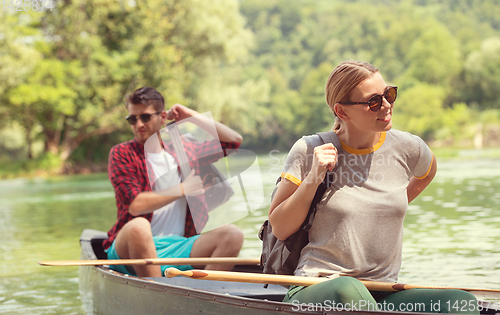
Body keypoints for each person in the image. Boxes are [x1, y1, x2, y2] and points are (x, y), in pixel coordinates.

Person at [269, 60, 479, 314]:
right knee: (348, 290)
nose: (387, 105)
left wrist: (388, 203)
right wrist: (315, 175)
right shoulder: (309, 150)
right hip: (317, 288)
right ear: (342, 112)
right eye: (374, 101)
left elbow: (427, 173)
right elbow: (279, 228)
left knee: (460, 303)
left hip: (383, 292)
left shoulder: (409, 147)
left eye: (389, 94)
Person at [103, 86, 244, 277]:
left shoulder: (184, 150)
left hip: (178, 246)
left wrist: (190, 116)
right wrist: (183, 188)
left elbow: (233, 141)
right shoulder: (122, 153)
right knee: (139, 226)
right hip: (131, 247)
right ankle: (160, 290)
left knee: (233, 235)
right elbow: (135, 206)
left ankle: (199, 295)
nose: (138, 124)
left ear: (162, 118)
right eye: (132, 119)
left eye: (145, 117)